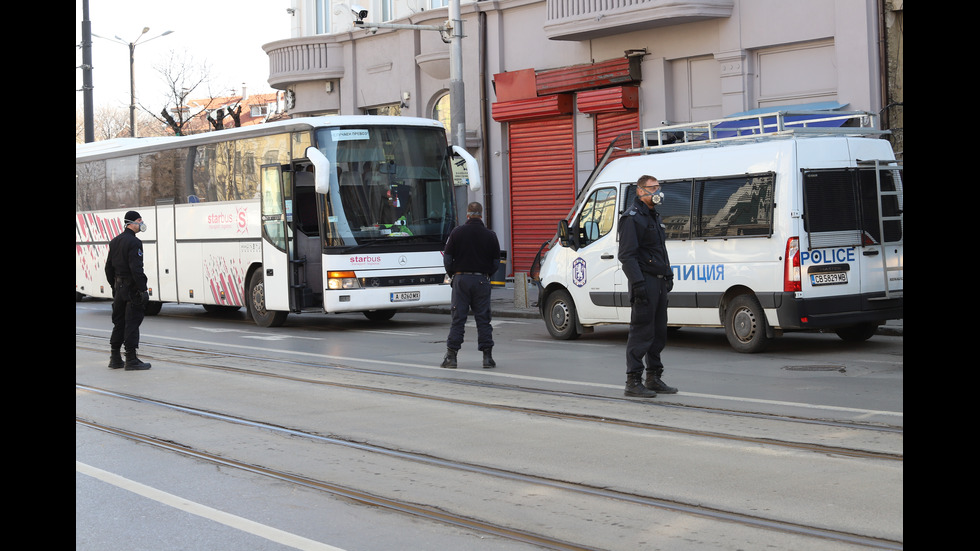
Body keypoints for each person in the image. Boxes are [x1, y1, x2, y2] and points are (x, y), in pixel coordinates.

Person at [618, 176, 677, 397]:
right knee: (642, 332)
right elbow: (627, 255)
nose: (657, 191)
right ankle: (633, 381)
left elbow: (660, 250)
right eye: (653, 188)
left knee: (658, 332)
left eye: (658, 187)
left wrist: (668, 274)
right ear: (641, 191)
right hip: (645, 281)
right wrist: (639, 283)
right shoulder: (632, 218)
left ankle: (654, 377)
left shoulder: (653, 216)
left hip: (659, 281)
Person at [440, 202, 501, 369]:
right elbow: (496, 261)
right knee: (483, 319)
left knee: (458, 318)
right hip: (481, 280)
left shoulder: (457, 232)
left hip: (461, 279)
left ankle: (451, 357)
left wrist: (453, 274)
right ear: (481, 215)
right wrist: (487, 273)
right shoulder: (490, 235)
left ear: (467, 215)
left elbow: (447, 258)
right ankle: (487, 358)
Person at [105, 211, 152, 370]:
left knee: (119, 322)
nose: (141, 223)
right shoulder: (134, 242)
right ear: (132, 222)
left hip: (119, 287)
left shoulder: (115, 241)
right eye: (139, 221)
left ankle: (115, 358)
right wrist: (143, 289)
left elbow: (108, 268)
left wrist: (114, 286)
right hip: (131, 289)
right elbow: (136, 269)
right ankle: (131, 359)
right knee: (132, 322)